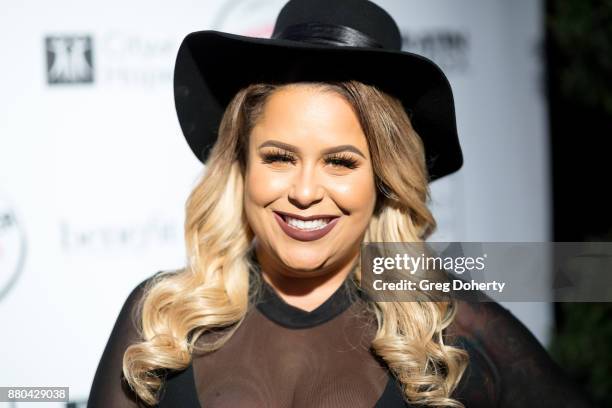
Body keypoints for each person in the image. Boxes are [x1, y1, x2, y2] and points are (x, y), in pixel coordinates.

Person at [87, 0, 595, 407]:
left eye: (341, 162)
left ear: (386, 180)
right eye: (280, 157)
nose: (305, 193)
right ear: (241, 165)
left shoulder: (452, 328)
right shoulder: (161, 321)